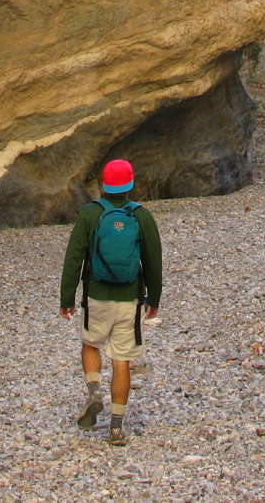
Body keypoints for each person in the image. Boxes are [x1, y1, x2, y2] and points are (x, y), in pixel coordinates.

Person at [58, 158, 162, 446]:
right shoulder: (141, 217)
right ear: (130, 184)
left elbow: (74, 258)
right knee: (121, 361)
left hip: (96, 297)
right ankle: (116, 427)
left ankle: (94, 390)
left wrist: (67, 298)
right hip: (129, 300)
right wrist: (154, 299)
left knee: (91, 344)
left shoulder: (90, 214)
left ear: (104, 184)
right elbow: (153, 262)